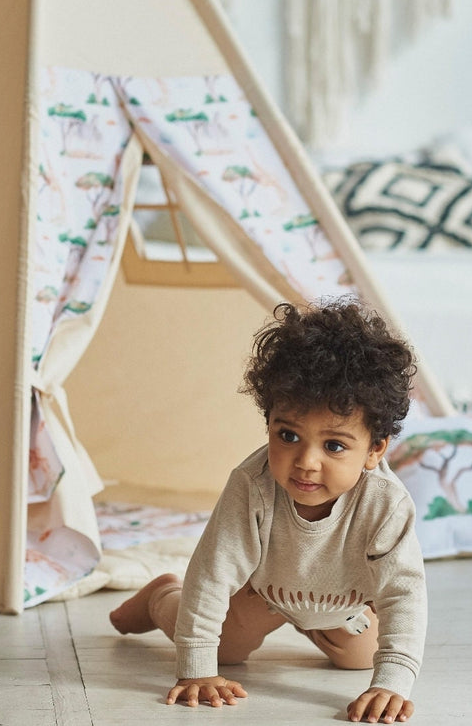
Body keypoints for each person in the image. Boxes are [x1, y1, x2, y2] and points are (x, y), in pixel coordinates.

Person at [110, 299, 426, 724]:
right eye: (288, 435)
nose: (306, 462)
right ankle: (161, 595)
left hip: (340, 607)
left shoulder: (385, 503)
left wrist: (393, 682)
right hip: (264, 594)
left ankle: (331, 634)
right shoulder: (252, 485)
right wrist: (198, 670)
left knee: (363, 660)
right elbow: (213, 572)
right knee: (228, 651)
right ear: (269, 422)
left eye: (334, 445)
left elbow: (404, 593)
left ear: (375, 450)